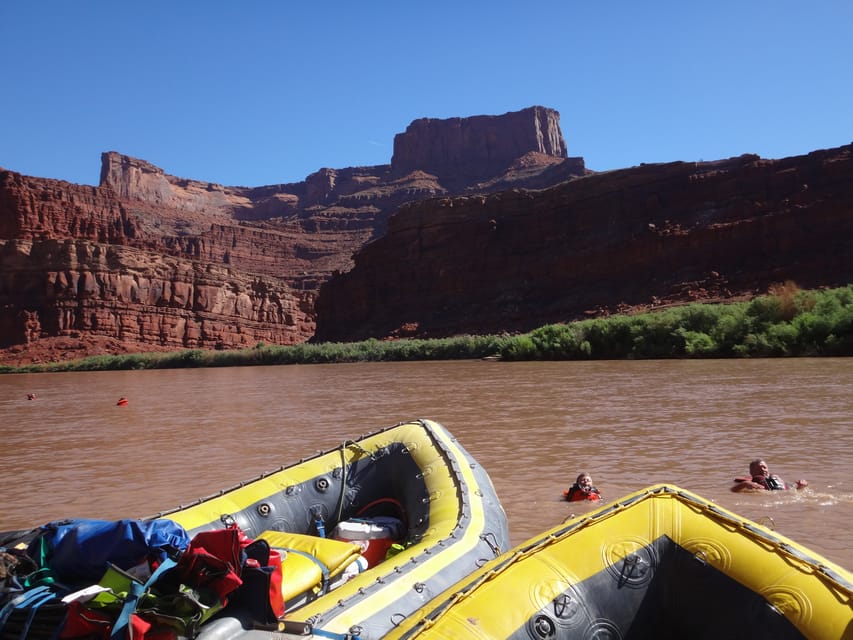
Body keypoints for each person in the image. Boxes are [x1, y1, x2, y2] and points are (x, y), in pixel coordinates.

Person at [731, 459, 808, 492]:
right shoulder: (749, 482)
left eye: (764, 467)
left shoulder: (776, 479)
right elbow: (732, 490)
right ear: (751, 472)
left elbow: (792, 489)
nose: (763, 470)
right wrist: (744, 484)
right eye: (758, 468)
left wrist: (801, 485)